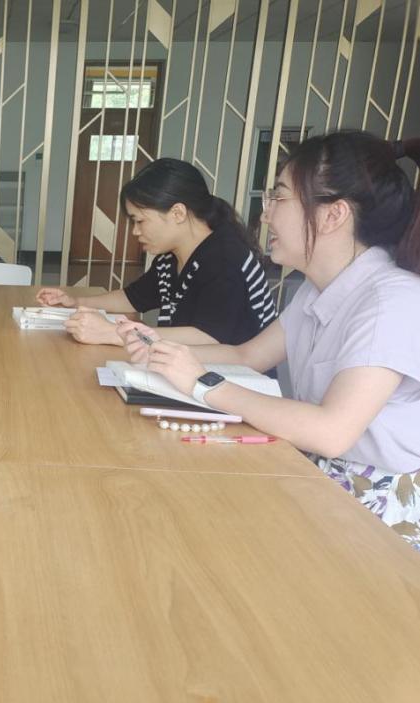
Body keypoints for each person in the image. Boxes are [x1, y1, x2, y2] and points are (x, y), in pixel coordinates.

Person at [119, 132, 420, 550]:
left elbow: (332, 431)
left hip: (373, 507)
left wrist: (203, 383)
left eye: (279, 197)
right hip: (319, 472)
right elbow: (248, 354)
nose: (264, 216)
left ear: (333, 215)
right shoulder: (318, 289)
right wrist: (159, 348)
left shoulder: (391, 302)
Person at [35, 158, 276, 346]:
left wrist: (115, 333)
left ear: (178, 213)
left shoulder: (225, 258)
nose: (135, 231)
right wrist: (75, 302)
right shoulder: (170, 258)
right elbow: (132, 298)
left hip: (234, 381)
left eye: (140, 221)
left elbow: (209, 338)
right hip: (188, 371)